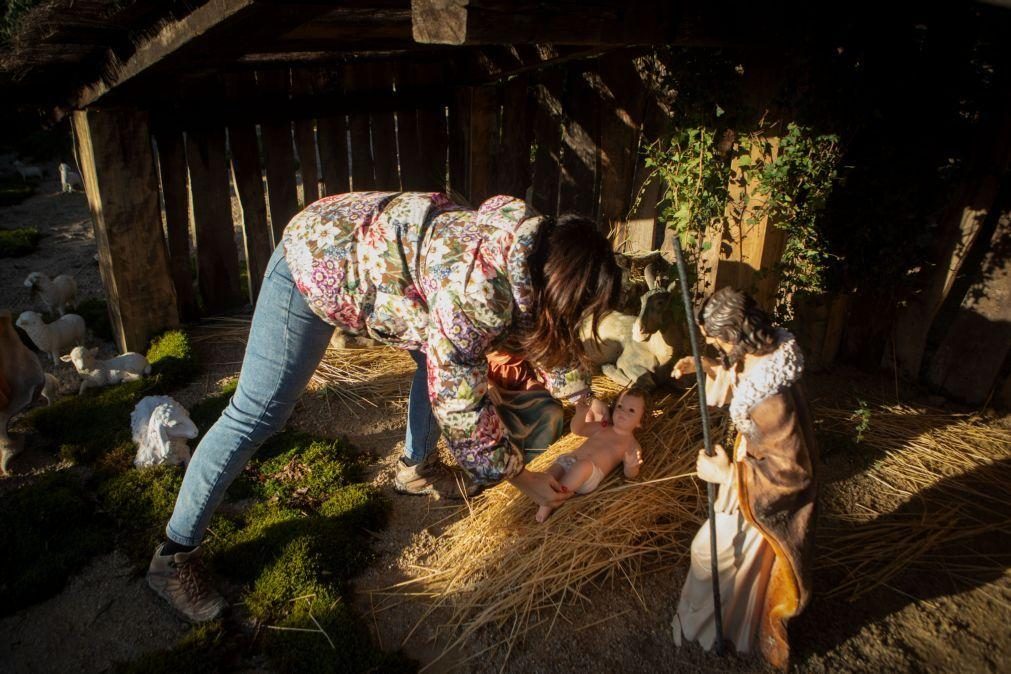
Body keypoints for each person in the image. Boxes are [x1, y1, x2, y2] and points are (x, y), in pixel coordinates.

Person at [146, 191, 622, 622]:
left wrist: (580, 396)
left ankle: (414, 467)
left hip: (389, 268)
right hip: (315, 260)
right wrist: (521, 477)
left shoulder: (529, 249)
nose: (581, 321)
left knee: (431, 358)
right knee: (256, 412)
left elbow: (545, 328)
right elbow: (459, 406)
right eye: (580, 308)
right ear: (559, 283)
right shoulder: (474, 292)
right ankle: (173, 556)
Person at [671, 287, 817, 670]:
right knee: (714, 554)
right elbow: (741, 379)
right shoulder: (760, 357)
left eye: (716, 340)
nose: (715, 345)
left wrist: (729, 475)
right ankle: (708, 626)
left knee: (710, 552)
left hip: (758, 486)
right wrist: (706, 365)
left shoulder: (773, 399)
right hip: (747, 466)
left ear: (735, 334)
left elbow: (792, 472)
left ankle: (728, 628)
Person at [535, 386, 648, 523]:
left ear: (640, 422)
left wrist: (631, 466)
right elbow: (578, 429)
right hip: (570, 461)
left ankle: (551, 501)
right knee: (554, 470)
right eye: (620, 406)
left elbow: (631, 474)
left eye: (631, 410)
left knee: (582, 466)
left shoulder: (631, 444)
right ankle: (545, 491)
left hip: (589, 474)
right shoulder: (603, 427)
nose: (622, 412)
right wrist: (581, 414)